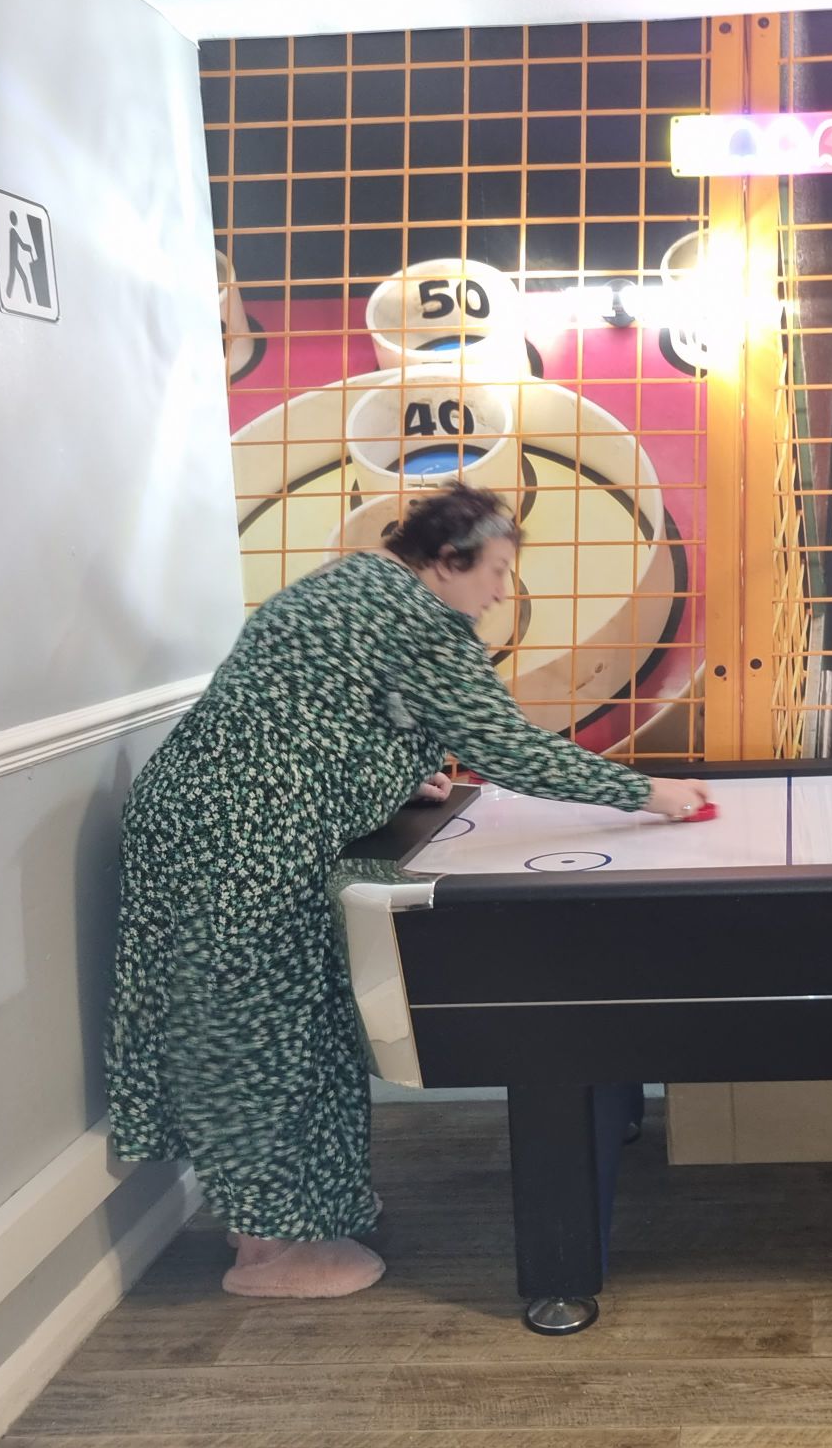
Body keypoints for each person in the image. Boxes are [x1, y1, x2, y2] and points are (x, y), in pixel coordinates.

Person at [105, 486, 709, 1299]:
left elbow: (312, 714)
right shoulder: (419, 621)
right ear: (448, 560)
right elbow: (508, 747)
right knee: (261, 1039)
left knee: (259, 1026)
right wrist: (649, 793)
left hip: (195, 822)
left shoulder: (349, 583)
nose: (500, 592)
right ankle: (266, 1252)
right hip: (238, 847)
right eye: (495, 570)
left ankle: (287, 1220)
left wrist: (387, 774)